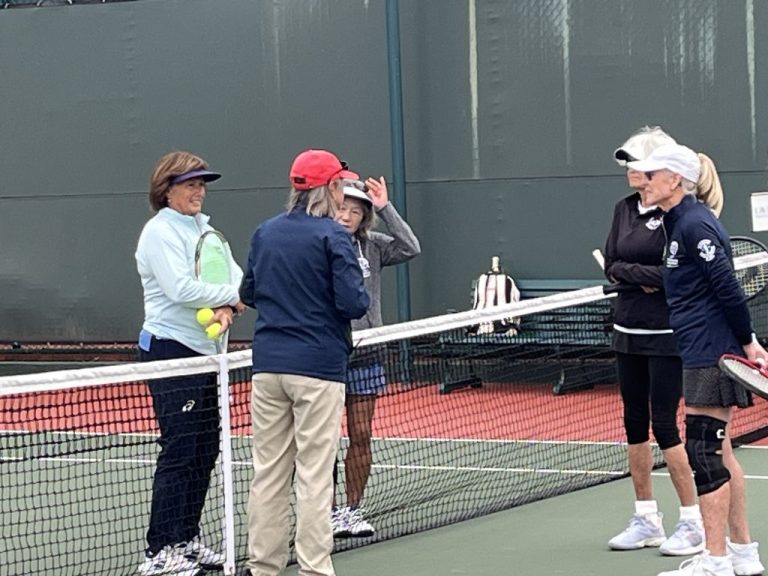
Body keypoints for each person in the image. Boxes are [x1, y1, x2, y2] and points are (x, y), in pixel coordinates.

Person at [626, 144, 766, 576]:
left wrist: (749, 342)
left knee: (703, 452)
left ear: (675, 180)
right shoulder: (676, 222)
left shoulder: (694, 224)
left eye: (652, 175)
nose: (644, 182)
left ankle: (715, 559)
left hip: (711, 351)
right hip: (700, 347)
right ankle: (743, 554)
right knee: (718, 452)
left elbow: (728, 287)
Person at [241, 149, 369, 576]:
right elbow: (353, 303)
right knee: (315, 475)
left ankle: (263, 568)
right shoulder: (334, 237)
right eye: (341, 185)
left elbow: (249, 292)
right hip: (318, 369)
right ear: (331, 188)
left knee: (268, 473)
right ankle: (314, 569)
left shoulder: (265, 232)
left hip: (268, 367)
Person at [135, 151, 245, 576]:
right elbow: (180, 288)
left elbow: (235, 276)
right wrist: (228, 299)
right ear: (167, 190)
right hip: (170, 349)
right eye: (190, 184)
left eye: (202, 184)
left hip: (208, 353)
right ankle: (159, 551)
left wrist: (231, 301)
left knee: (204, 448)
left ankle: (185, 538)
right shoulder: (159, 232)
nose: (199, 191)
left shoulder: (206, 229)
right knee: (180, 449)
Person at [605, 127, 704, 556]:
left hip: (667, 333)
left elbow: (674, 274)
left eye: (639, 163)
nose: (632, 170)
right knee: (633, 423)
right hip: (627, 328)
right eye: (628, 163)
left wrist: (639, 275)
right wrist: (635, 276)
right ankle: (646, 518)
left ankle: (692, 521)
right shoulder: (624, 209)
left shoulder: (678, 213)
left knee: (664, 424)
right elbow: (611, 263)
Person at [330, 177, 421, 538]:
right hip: (328, 355)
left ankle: (352, 511)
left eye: (355, 211)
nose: (346, 216)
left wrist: (385, 207)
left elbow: (411, 247)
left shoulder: (374, 246)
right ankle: (326, 511)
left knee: (362, 434)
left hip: (368, 353)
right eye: (341, 208)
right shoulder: (317, 245)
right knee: (323, 440)